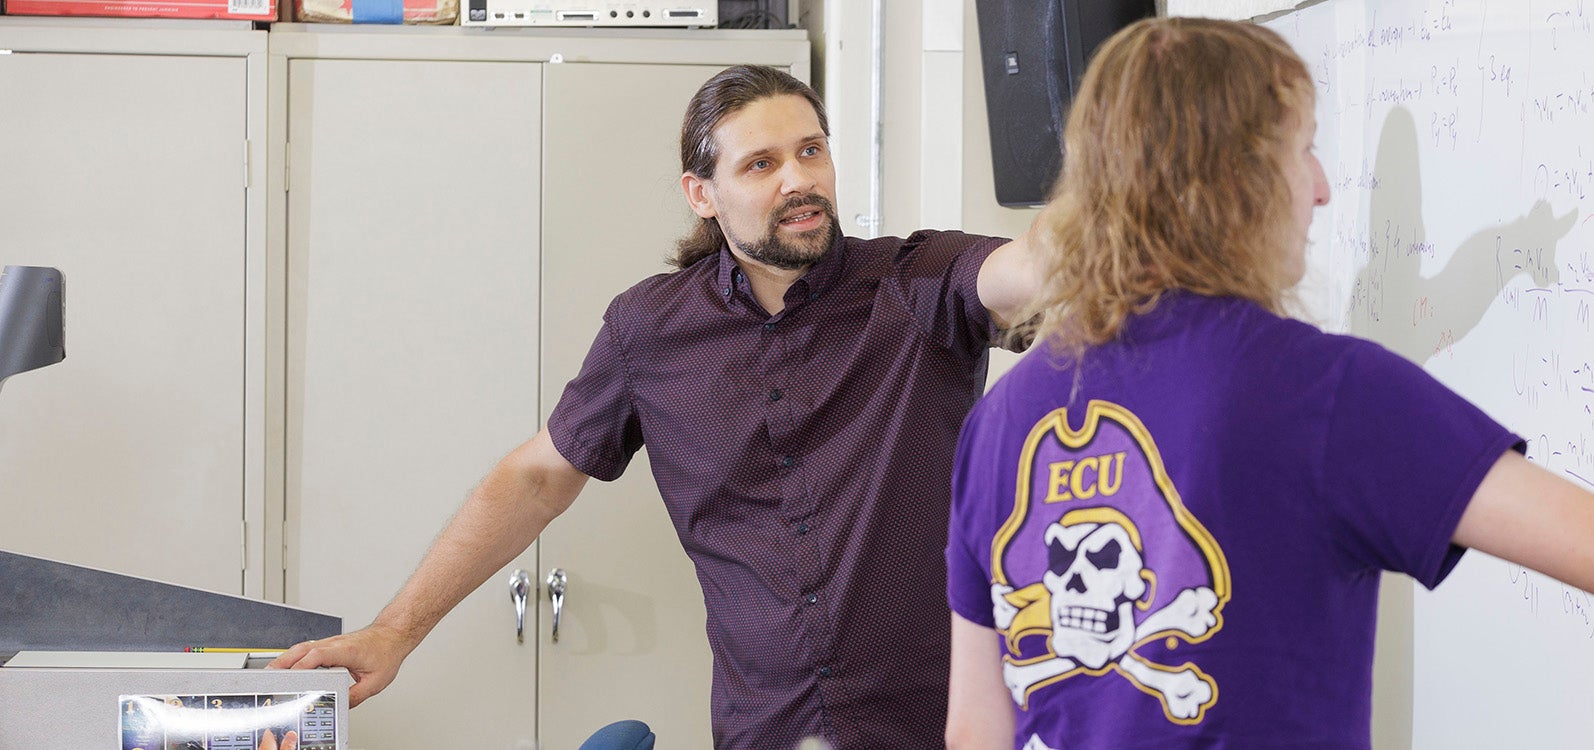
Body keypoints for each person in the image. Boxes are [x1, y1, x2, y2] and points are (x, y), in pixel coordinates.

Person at [942, 18, 1594, 749]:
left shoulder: (1000, 422)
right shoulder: (1316, 394)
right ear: (1229, 179)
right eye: (1299, 148)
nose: (1317, 186)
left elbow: (974, 732)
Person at [272, 64, 1048, 749]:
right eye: (761, 163)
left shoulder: (918, 283)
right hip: (766, 729)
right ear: (701, 194)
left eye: (811, 150)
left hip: (942, 723)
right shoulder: (648, 330)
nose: (798, 180)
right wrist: (395, 633)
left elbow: (1030, 273)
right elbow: (536, 478)